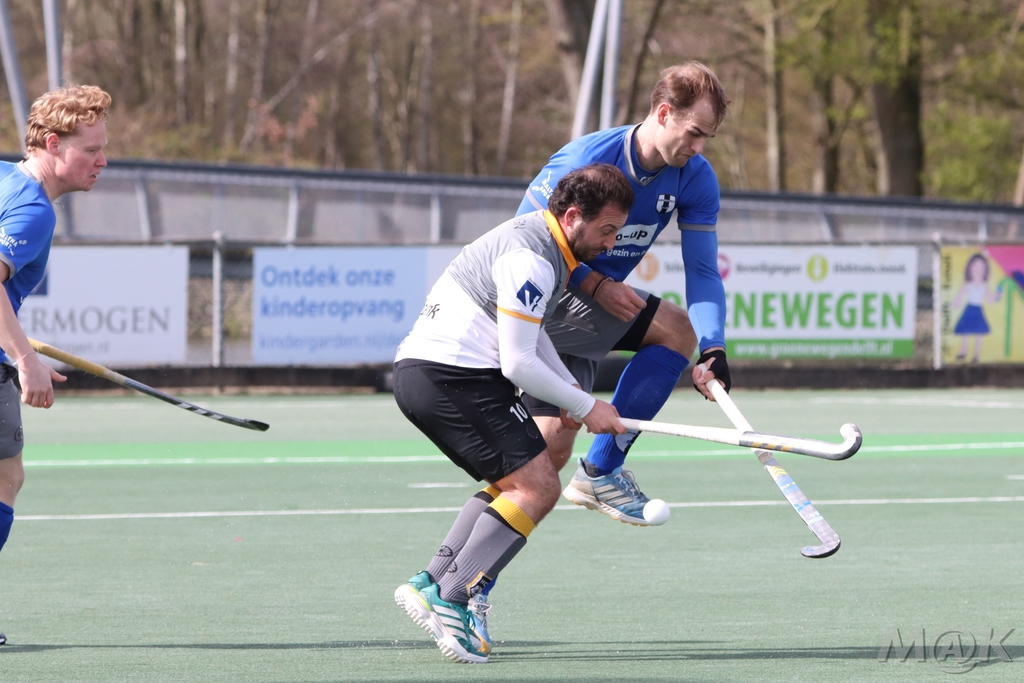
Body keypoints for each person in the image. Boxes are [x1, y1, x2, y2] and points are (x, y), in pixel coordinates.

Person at [467, 61, 733, 641]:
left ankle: (463, 583)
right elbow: (525, 241)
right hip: (545, 304)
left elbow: (703, 270)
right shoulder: (587, 158)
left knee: (545, 458)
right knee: (672, 331)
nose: (698, 148)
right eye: (693, 132)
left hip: (589, 314)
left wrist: (714, 347)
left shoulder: (694, 177)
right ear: (663, 113)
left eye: (707, 138)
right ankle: (599, 474)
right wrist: (592, 282)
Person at [392, 163, 632, 664]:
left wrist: (569, 390)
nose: (611, 244)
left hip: (437, 375)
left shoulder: (542, 241)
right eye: (607, 230)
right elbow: (518, 363)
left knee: (515, 484)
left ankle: (433, 581)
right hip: (452, 377)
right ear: (573, 216)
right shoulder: (533, 260)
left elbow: (531, 333)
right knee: (538, 488)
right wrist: (588, 406)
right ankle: (452, 598)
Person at [0, 85, 111, 646]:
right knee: (5, 479)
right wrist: (26, 360)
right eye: (91, 149)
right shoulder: (33, 210)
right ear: (52, 143)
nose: (102, 160)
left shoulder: (3, 177)